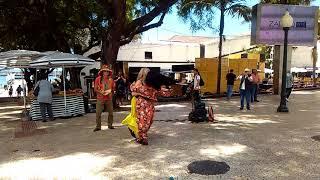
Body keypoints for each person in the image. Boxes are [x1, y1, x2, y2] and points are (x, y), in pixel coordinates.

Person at [130, 69, 172, 145]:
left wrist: (167, 89)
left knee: (149, 120)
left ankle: (142, 135)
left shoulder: (153, 84)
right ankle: (142, 137)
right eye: (147, 73)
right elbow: (133, 92)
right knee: (142, 120)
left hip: (150, 103)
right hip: (142, 103)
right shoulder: (140, 82)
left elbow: (162, 93)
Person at [93, 65, 115, 132]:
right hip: (100, 98)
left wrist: (110, 91)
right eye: (104, 71)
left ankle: (110, 125)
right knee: (98, 113)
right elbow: (95, 89)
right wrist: (101, 92)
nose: (106, 72)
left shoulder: (111, 80)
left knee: (111, 113)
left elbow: (113, 89)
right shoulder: (97, 79)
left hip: (109, 98)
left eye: (107, 71)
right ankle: (98, 126)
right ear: (102, 72)